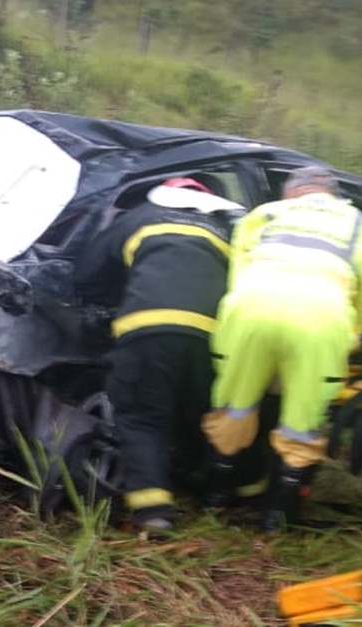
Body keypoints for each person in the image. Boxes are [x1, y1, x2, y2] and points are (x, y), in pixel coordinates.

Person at [202, 166, 362, 532]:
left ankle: (214, 499)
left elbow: (239, 273)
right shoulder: (359, 224)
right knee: (301, 423)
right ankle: (277, 517)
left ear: (292, 192)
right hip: (321, 319)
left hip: (251, 309)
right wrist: (360, 336)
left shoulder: (265, 213)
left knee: (234, 407)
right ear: (332, 194)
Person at [73, 177, 244, 535]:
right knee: (206, 414)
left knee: (141, 417)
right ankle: (220, 492)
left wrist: (107, 304)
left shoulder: (139, 218)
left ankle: (152, 512)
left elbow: (88, 272)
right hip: (212, 337)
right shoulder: (226, 229)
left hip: (147, 329)